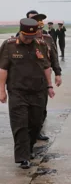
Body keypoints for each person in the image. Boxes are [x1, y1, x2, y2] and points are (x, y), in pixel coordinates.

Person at [0, 18, 55, 169]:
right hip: (17, 91)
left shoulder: (41, 45)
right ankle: (22, 157)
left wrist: (50, 86)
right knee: (20, 124)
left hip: (38, 90)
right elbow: (3, 69)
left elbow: (46, 67)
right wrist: (1, 91)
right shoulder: (9, 45)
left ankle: (29, 147)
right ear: (20, 33)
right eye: (26, 37)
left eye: (32, 37)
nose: (29, 39)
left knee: (36, 123)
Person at [32, 13, 62, 141]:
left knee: (41, 107)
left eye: (40, 28)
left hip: (44, 78)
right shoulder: (24, 39)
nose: (39, 31)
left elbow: (54, 57)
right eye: (37, 29)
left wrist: (58, 73)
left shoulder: (48, 39)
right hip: (28, 77)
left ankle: (37, 130)